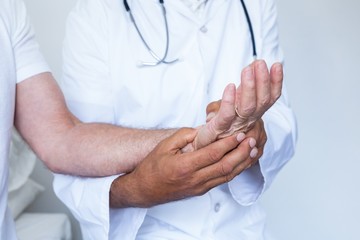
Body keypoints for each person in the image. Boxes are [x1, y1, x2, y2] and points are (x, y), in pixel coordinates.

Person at [0, 0, 253, 239]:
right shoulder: (93, 14)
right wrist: (138, 187)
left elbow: (59, 138)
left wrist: (199, 138)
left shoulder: (8, 9)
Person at [53, 0, 298, 239]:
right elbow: (75, 158)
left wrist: (256, 132)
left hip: (244, 230)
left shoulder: (255, 5)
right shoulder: (96, 13)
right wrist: (138, 189)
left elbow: (280, 118)